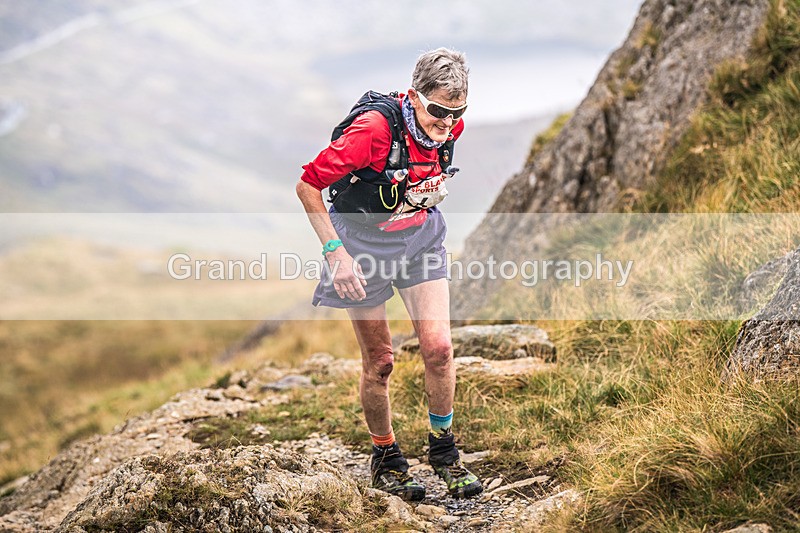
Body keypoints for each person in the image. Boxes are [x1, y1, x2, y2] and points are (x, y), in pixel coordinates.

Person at [295, 48, 482, 501]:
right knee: (381, 362)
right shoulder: (373, 131)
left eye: (457, 113)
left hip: (419, 241)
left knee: (438, 349)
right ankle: (387, 458)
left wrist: (425, 193)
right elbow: (308, 186)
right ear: (415, 97)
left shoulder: (448, 124)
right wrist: (336, 254)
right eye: (438, 111)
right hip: (362, 248)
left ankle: (444, 452)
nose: (446, 123)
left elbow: (423, 168)